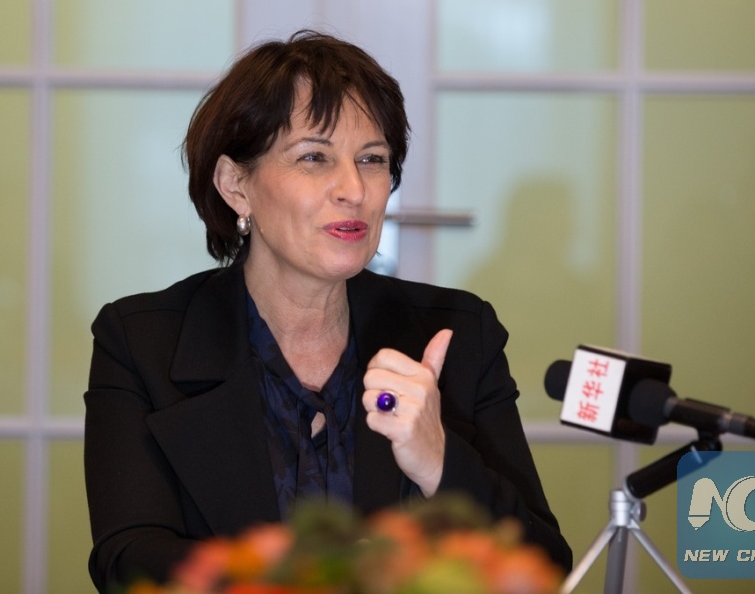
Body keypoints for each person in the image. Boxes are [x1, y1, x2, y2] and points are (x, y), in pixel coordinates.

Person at [84, 29, 572, 592]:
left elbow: (546, 568)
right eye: (314, 157)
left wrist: (440, 462)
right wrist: (320, 575)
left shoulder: (457, 333)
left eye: (373, 159)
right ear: (235, 185)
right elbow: (128, 560)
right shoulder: (141, 342)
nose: (354, 189)